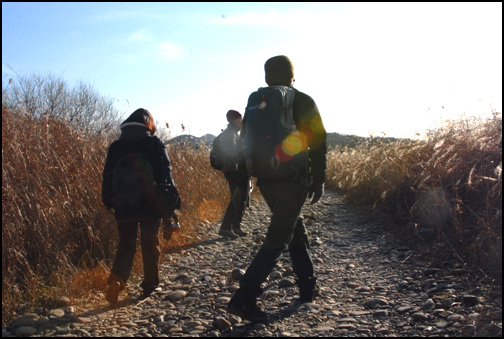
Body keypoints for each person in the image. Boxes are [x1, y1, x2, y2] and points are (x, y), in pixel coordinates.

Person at [227, 55, 327, 322]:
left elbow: (244, 142)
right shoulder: (301, 99)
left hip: (266, 181)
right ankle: (244, 297)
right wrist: (319, 178)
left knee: (295, 229)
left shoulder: (256, 104)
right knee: (278, 237)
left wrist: (244, 180)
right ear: (292, 76)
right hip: (292, 180)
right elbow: (318, 139)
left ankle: (307, 287)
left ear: (267, 77)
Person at [102, 108, 179, 306]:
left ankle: (117, 280)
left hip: (123, 204)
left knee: (126, 244)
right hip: (150, 204)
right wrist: (170, 204)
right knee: (149, 242)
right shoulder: (154, 142)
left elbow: (108, 175)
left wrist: (108, 200)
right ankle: (150, 284)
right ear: (149, 124)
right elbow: (165, 174)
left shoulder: (116, 146)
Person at [217, 110, 248, 239]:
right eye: (240, 119)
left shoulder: (234, 133)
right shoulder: (229, 135)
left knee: (243, 198)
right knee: (237, 198)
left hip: (237, 170)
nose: (242, 122)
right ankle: (225, 228)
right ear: (233, 120)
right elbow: (232, 154)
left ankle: (236, 226)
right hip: (234, 171)